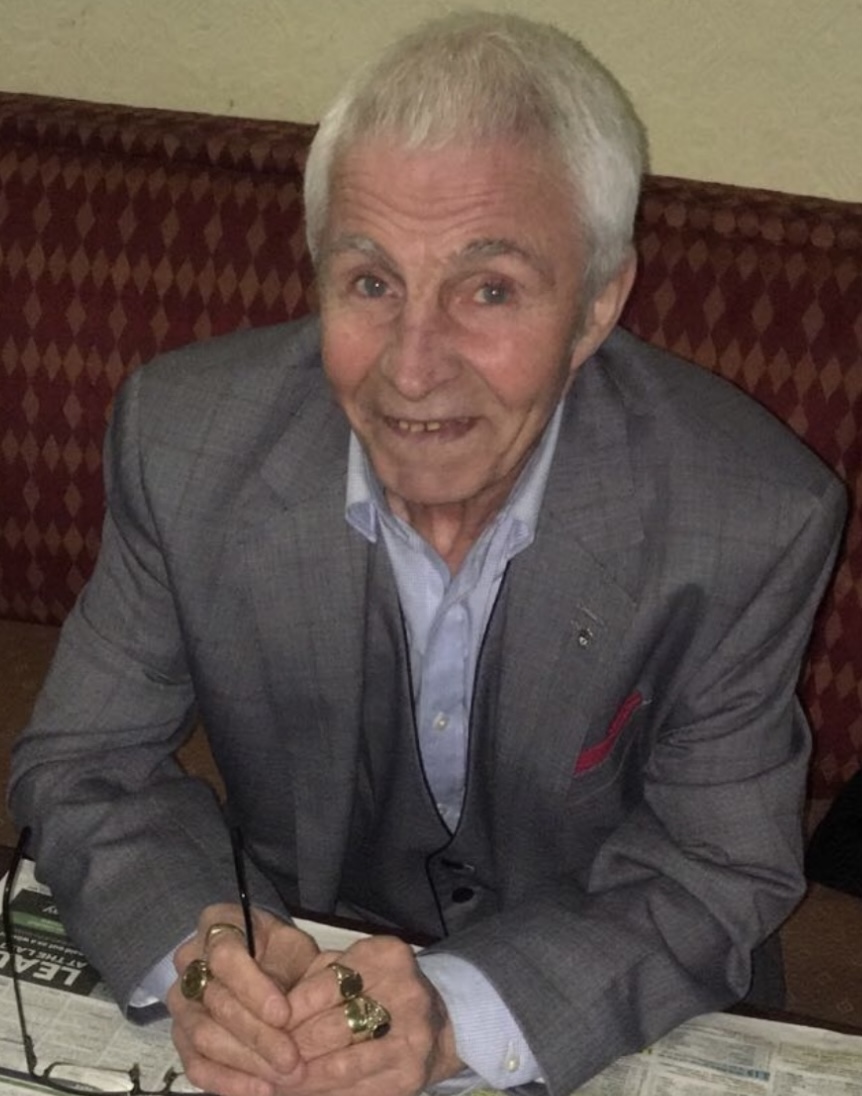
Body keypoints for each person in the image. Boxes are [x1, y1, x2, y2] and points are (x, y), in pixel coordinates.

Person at [8, 11, 847, 1096]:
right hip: (300, 975)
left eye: (489, 289)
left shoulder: (750, 514)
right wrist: (206, 951)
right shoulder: (183, 441)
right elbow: (86, 764)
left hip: (600, 1001)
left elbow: (715, 866)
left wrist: (455, 1016)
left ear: (598, 303)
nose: (411, 370)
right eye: (371, 282)